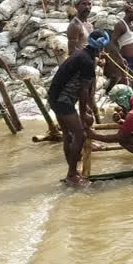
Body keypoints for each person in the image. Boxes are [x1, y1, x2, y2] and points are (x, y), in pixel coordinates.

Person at [48, 30, 109, 186]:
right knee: (80, 135)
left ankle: (72, 172)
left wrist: (84, 110)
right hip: (63, 101)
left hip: (54, 98)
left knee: (68, 136)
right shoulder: (87, 62)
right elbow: (83, 91)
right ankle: (71, 175)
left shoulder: (81, 54)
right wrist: (83, 115)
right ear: (101, 48)